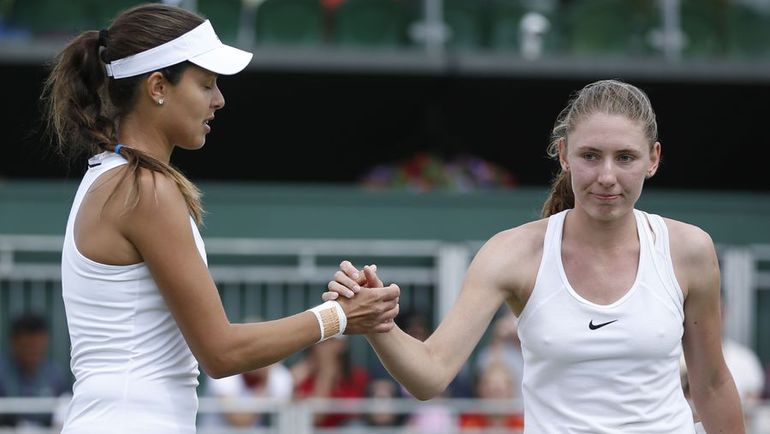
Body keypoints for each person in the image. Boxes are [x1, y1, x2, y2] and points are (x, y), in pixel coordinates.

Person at [41, 4, 399, 433]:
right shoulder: (145, 190)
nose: (219, 99)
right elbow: (221, 352)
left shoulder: (115, 178)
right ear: (157, 87)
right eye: (206, 84)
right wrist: (339, 317)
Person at [325, 79, 745, 432]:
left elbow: (710, 384)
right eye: (590, 155)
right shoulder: (511, 254)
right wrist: (379, 323)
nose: (606, 176)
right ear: (564, 155)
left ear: (653, 159)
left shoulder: (689, 249)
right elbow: (431, 374)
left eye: (626, 158)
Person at [0, 312, 71, 427]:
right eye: (27, 347)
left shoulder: (54, 374)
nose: (32, 353)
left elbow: (66, 402)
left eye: (37, 347)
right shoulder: (2, 373)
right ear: (13, 342)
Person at [290, 336, 369, 427]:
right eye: (321, 343)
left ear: (342, 345)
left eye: (331, 341)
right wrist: (326, 373)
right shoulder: (302, 376)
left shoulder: (357, 377)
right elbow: (315, 417)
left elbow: (354, 415)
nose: (325, 348)